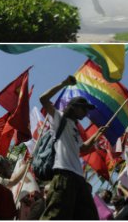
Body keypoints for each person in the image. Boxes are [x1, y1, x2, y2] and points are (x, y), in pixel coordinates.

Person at [38, 75, 108, 220]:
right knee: (55, 216)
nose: (86, 112)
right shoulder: (59, 117)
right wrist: (63, 83)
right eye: (84, 108)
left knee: (89, 216)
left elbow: (83, 149)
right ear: (74, 107)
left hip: (79, 178)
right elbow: (43, 99)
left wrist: (97, 134)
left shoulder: (75, 128)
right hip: (64, 175)